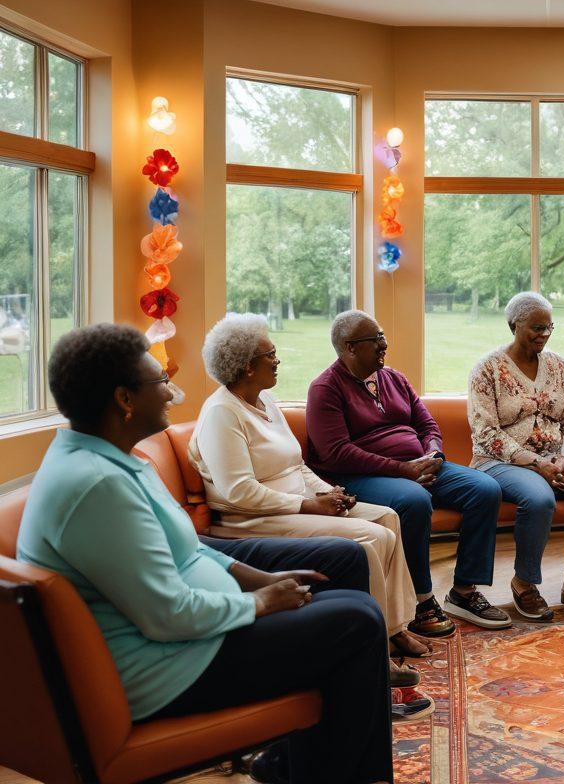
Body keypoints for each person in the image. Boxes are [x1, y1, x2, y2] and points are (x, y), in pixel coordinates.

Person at [16, 324, 393, 784]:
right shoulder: (96, 486)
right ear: (124, 399)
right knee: (356, 623)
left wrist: (257, 578)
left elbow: (187, 549)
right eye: (161, 382)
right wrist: (258, 603)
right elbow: (168, 615)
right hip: (168, 669)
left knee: (349, 600)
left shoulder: (119, 460)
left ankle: (298, 768)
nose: (173, 395)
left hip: (191, 641)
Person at [188, 313, 431, 684]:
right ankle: (375, 645)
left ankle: (395, 625)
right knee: (373, 539)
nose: (277, 360)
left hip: (298, 500)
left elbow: (296, 465)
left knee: (387, 518)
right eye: (270, 355)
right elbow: (238, 491)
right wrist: (307, 504)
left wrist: (326, 492)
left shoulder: (265, 400)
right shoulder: (222, 412)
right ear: (247, 367)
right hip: (251, 517)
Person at [307, 310, 508, 632]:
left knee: (484, 489)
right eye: (375, 340)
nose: (384, 344)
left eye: (382, 335)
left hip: (418, 465)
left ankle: (464, 591)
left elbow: (426, 423)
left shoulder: (394, 378)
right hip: (361, 476)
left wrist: (434, 452)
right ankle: (420, 600)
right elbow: (337, 453)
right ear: (349, 347)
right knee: (414, 501)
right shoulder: (325, 389)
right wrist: (403, 470)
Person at [467, 292, 564, 621]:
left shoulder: (560, 366)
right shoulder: (487, 369)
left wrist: (563, 458)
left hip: (555, 458)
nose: (544, 335)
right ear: (513, 325)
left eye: (549, 328)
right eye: (536, 328)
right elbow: (485, 434)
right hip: (501, 462)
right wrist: (536, 464)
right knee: (538, 497)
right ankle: (525, 583)